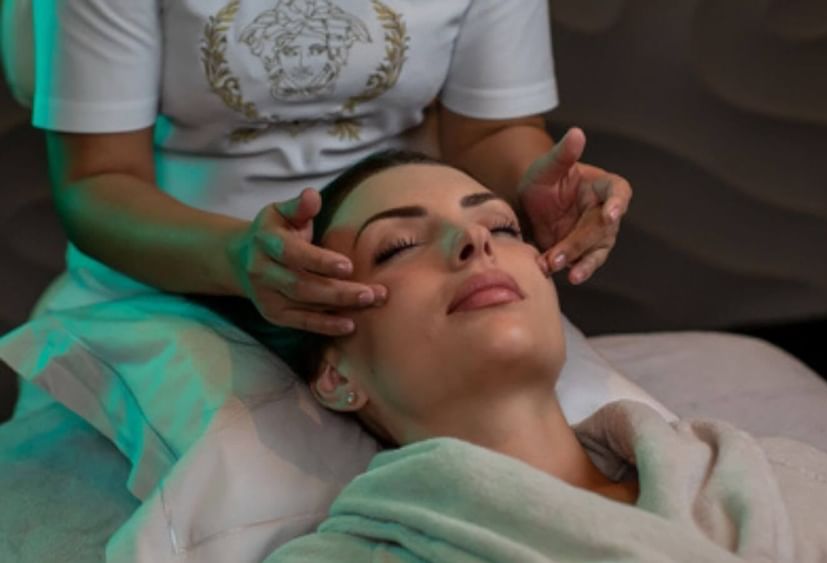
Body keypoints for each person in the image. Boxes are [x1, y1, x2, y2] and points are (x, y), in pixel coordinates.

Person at [250, 150, 827, 562]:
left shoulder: (758, 475)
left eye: (504, 227)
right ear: (337, 375)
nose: (475, 242)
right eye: (399, 244)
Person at [18, 0, 630, 414]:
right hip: (180, 286)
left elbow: (488, 134)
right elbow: (98, 182)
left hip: (398, 282)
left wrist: (539, 186)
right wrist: (238, 261)